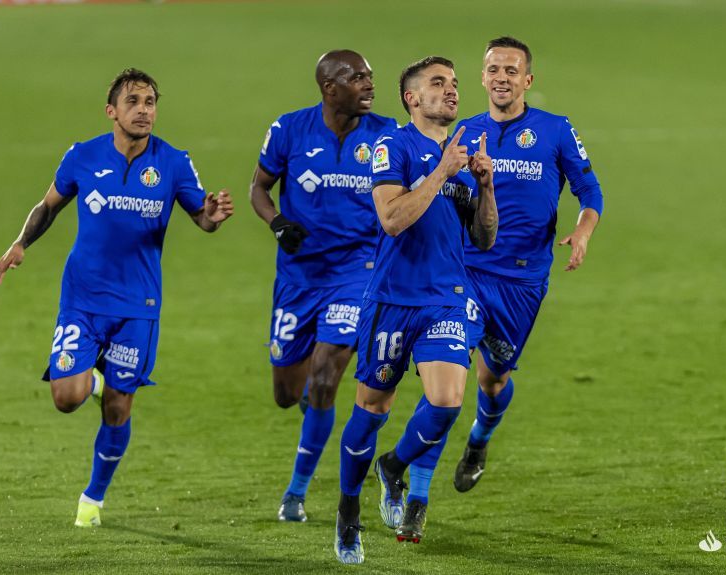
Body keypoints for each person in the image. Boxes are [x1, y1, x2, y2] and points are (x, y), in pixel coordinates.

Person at [0, 68, 234, 528]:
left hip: (137, 307)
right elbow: (48, 206)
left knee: (120, 406)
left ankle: (93, 499)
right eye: (134, 101)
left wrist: (213, 216)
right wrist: (20, 244)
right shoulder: (83, 156)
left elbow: (201, 217)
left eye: (151, 102)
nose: (144, 110)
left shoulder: (174, 162)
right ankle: (92, 382)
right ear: (112, 111)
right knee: (65, 397)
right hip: (82, 297)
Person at [407, 36, 605, 533]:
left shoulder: (556, 131)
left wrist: (582, 232)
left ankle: (480, 437)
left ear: (528, 80)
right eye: (493, 68)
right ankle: (416, 494)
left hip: (522, 283)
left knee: (492, 380)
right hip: (465, 275)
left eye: (511, 70)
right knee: (445, 378)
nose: (501, 77)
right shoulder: (464, 133)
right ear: (482, 77)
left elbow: (590, 189)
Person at [333, 55, 497, 564]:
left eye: (453, 83)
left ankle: (394, 466)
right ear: (411, 98)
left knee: (447, 402)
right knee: (371, 409)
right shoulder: (393, 147)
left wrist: (485, 185)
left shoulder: (463, 159)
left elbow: (485, 239)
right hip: (391, 301)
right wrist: (442, 170)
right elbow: (391, 218)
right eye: (437, 83)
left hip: (445, 299)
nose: (451, 91)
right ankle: (347, 510)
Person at [249, 50, 397, 523]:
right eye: (358, 78)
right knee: (286, 393)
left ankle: (296, 492)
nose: (370, 85)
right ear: (330, 88)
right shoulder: (289, 129)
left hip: (357, 273)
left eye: (371, 77)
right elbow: (259, 188)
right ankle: (311, 413)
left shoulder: (386, 137)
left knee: (325, 377)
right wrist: (276, 223)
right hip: (298, 278)